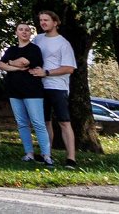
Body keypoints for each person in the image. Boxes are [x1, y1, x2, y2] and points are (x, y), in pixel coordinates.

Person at [0, 21, 50, 165]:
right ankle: (29, 153)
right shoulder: (11, 49)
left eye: (27, 30)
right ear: (16, 32)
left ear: (30, 33)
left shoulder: (34, 49)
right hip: (14, 91)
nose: (24, 32)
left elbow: (24, 62)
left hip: (32, 91)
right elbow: (1, 65)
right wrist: (14, 66)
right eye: (21, 29)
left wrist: (10, 63)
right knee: (22, 123)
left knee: (38, 122)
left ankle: (46, 155)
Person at [32, 10, 78, 168]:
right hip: (40, 86)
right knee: (45, 122)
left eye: (46, 20)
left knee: (64, 122)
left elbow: (69, 68)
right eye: (41, 20)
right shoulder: (37, 39)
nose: (43, 22)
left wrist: (46, 72)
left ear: (55, 22)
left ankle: (71, 158)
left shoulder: (63, 43)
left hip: (58, 87)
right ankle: (47, 154)